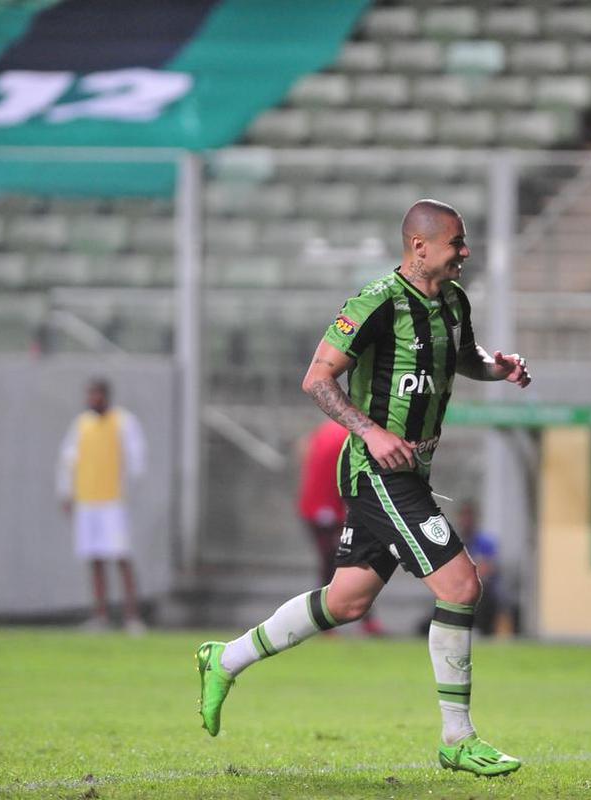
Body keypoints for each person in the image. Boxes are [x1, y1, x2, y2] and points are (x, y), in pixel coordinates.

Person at [196, 199, 532, 776]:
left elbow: (462, 356)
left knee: (346, 601)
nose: (466, 251)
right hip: (377, 474)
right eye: (456, 242)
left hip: (413, 471)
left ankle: (225, 658)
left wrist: (495, 367)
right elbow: (317, 378)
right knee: (461, 585)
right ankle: (458, 738)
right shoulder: (376, 302)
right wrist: (370, 431)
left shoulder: (454, 301)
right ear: (419, 246)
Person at [56, 377, 147, 635]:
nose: (91, 400)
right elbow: (68, 460)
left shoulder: (124, 422)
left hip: (113, 502)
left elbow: (136, 460)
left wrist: (128, 490)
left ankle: (132, 617)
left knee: (121, 557)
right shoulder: (81, 424)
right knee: (94, 558)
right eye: (89, 395)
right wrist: (66, 492)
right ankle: (101, 616)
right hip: (87, 501)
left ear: (106, 396)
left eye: (95, 395)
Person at [297, 419, 385, 636]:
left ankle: (345, 622)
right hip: (325, 508)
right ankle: (328, 623)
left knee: (342, 564)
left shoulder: (334, 428)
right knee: (343, 564)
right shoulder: (354, 434)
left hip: (320, 507)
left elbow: (304, 449)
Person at [455, 502, 502, 636]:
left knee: (480, 589)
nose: (466, 520)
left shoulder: (485, 542)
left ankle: (479, 628)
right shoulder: (454, 541)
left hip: (482, 591)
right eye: (463, 516)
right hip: (458, 588)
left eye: (469, 516)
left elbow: (487, 568)